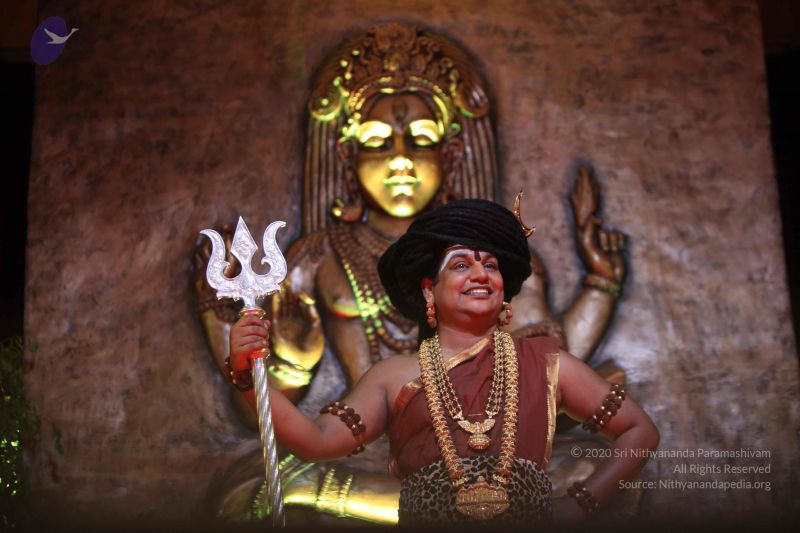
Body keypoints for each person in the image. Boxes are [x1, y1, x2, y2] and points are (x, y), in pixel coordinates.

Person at [229, 198, 659, 525]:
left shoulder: (548, 364)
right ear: (428, 290)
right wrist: (248, 378)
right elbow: (317, 441)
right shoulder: (394, 376)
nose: (480, 274)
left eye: (491, 265)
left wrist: (580, 504)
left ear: (504, 288)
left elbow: (640, 430)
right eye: (461, 265)